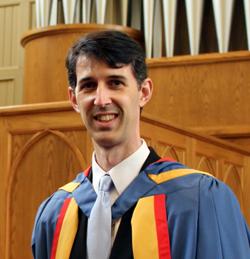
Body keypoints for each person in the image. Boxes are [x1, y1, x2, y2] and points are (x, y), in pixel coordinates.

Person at [31, 30, 250, 259]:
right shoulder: (55, 214)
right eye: (88, 85)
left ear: (143, 92)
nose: (102, 100)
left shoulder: (200, 200)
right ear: (74, 99)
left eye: (115, 83)